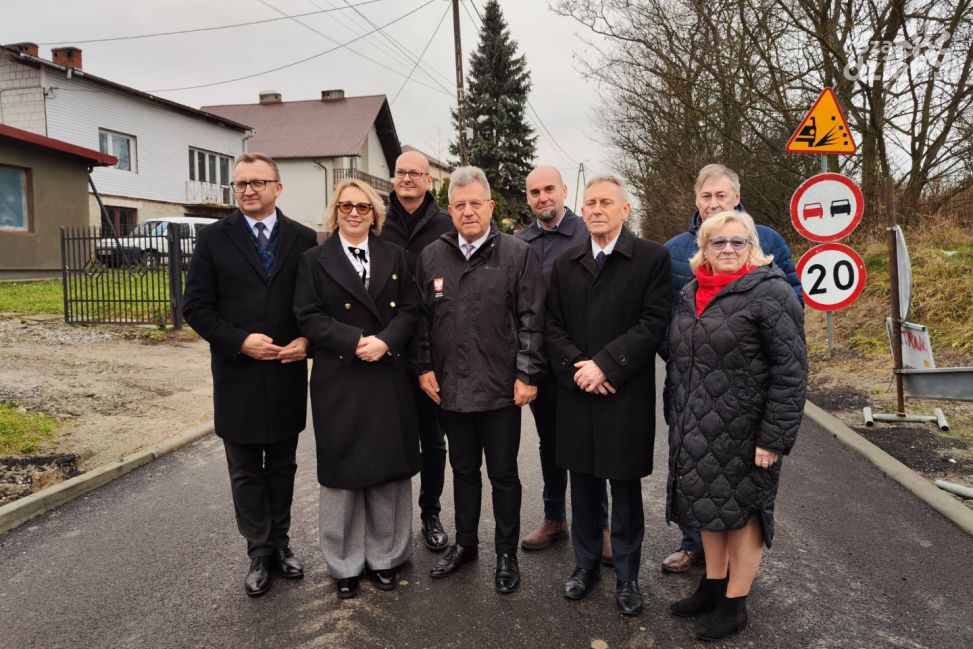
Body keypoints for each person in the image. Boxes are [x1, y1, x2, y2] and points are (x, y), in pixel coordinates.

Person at [664, 210, 807, 641]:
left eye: (737, 242)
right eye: (717, 242)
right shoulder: (692, 292)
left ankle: (735, 602)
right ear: (703, 249)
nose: (727, 249)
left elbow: (791, 371)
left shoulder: (772, 293)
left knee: (744, 514)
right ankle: (712, 584)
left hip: (747, 431)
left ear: (753, 248)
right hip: (698, 425)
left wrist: (773, 437)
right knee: (708, 507)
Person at [183, 152, 317, 596]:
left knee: (282, 465)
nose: (247, 190)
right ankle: (258, 551)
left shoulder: (302, 239)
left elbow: (316, 305)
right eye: (240, 184)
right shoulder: (214, 239)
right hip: (237, 373)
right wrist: (240, 341)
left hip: (285, 371)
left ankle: (281, 543)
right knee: (244, 469)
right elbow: (195, 307)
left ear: (278, 188)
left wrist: (307, 341)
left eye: (257, 182)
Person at [413, 166, 545, 594]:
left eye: (475, 203)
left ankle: (505, 552)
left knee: (503, 475)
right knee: (463, 471)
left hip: (501, 389)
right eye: (459, 204)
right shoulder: (431, 256)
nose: (468, 211)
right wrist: (424, 367)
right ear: (449, 209)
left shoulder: (517, 254)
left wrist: (526, 373)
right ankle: (466, 545)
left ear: (490, 206)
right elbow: (420, 322)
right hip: (451, 388)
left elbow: (531, 319)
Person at [545, 175, 671, 616]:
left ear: (625, 209)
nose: (596, 209)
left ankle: (628, 576)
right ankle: (584, 567)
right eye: (590, 203)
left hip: (623, 392)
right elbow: (552, 327)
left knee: (624, 487)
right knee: (581, 484)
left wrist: (606, 364)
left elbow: (654, 322)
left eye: (606, 202)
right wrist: (581, 368)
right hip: (579, 391)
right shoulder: (565, 263)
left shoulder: (651, 259)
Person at [293, 179, 420, 600]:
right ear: (335, 211)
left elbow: (410, 309)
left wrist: (385, 341)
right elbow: (307, 316)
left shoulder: (395, 255)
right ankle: (344, 563)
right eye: (346, 206)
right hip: (340, 378)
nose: (353, 213)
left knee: (387, 471)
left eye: (362, 207)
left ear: (374, 214)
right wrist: (353, 340)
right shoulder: (314, 260)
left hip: (386, 374)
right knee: (343, 474)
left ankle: (386, 557)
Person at [516, 166, 612, 566]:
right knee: (551, 444)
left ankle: (600, 527)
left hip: (583, 362)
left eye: (549, 189)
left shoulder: (585, 232)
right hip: (542, 363)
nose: (543, 197)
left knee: (591, 445)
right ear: (528, 198)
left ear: (564, 191)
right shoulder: (520, 242)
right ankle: (555, 517)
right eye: (535, 192)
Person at [379, 150, 454, 553]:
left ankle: (431, 512)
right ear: (393, 178)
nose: (407, 178)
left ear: (429, 181)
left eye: (415, 173)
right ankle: (391, 522)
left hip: (432, 350)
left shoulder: (446, 224)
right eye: (401, 172)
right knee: (389, 436)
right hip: (387, 348)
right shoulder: (378, 221)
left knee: (433, 439)